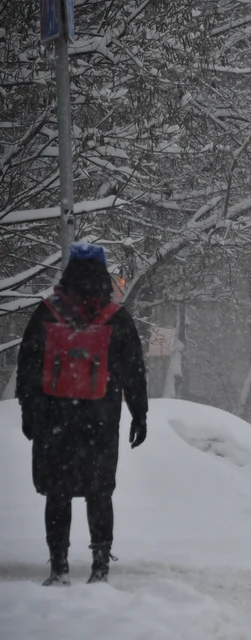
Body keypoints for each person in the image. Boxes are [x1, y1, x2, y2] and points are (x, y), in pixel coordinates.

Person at [16, 242, 148, 586]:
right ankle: (100, 567)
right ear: (104, 275)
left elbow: (27, 365)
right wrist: (140, 414)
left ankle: (59, 567)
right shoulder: (115, 316)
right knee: (99, 492)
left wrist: (28, 411)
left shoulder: (48, 312)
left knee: (57, 493)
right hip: (100, 419)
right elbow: (134, 370)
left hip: (54, 418)